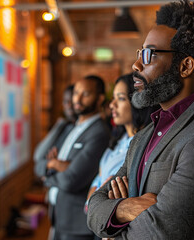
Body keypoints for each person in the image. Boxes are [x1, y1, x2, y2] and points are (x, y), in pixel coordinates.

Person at [87, 1, 194, 239]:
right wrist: (124, 207)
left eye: (148, 54)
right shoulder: (145, 134)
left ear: (185, 66)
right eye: (140, 53)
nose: (136, 64)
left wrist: (112, 231)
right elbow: (93, 207)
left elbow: (159, 234)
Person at [44, 75, 111, 240]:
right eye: (76, 93)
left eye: (85, 94)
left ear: (100, 98)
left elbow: (71, 180)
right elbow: (40, 161)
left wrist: (50, 171)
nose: (77, 99)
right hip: (59, 216)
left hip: (77, 224)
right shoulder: (74, 127)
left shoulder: (99, 133)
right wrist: (56, 165)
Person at [86, 73, 157, 205]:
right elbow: (97, 183)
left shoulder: (145, 144)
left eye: (121, 98)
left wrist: (96, 200)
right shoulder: (119, 139)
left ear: (139, 102)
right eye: (113, 98)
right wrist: (94, 200)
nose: (112, 105)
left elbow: (110, 194)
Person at [34, 85, 77, 179]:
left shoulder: (81, 131)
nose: (69, 105)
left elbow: (73, 170)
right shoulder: (64, 127)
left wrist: (52, 164)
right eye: (66, 102)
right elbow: (38, 157)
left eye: (72, 101)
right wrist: (59, 124)